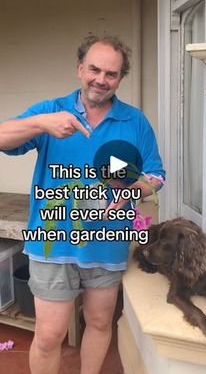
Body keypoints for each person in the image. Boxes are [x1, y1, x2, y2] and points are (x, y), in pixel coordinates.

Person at [0, 35, 165, 374]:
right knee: (48, 336)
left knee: (100, 323)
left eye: (112, 74)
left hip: (107, 244)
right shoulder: (49, 112)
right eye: (94, 69)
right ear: (80, 68)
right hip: (53, 242)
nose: (101, 80)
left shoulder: (134, 122)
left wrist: (131, 191)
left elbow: (156, 175)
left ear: (120, 78)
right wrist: (40, 124)